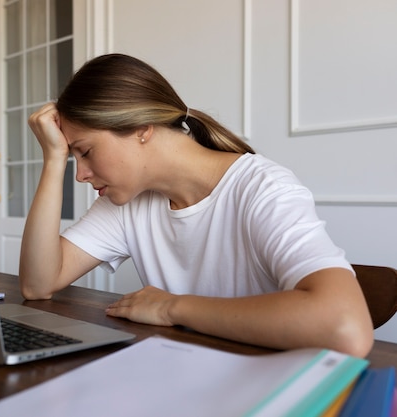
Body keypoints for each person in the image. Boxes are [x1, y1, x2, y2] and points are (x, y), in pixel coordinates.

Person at [20, 53, 374, 357]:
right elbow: (38, 284)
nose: (80, 174)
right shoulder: (127, 202)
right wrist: (53, 159)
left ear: (142, 129)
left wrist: (172, 307)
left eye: (84, 151)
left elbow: (346, 327)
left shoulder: (263, 188)